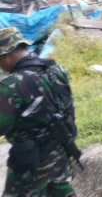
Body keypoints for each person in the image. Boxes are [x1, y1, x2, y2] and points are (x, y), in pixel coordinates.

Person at [0, 27, 77, 196]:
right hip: (61, 148)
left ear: (7, 55)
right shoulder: (57, 69)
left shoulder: (11, 85)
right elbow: (68, 106)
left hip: (30, 160)